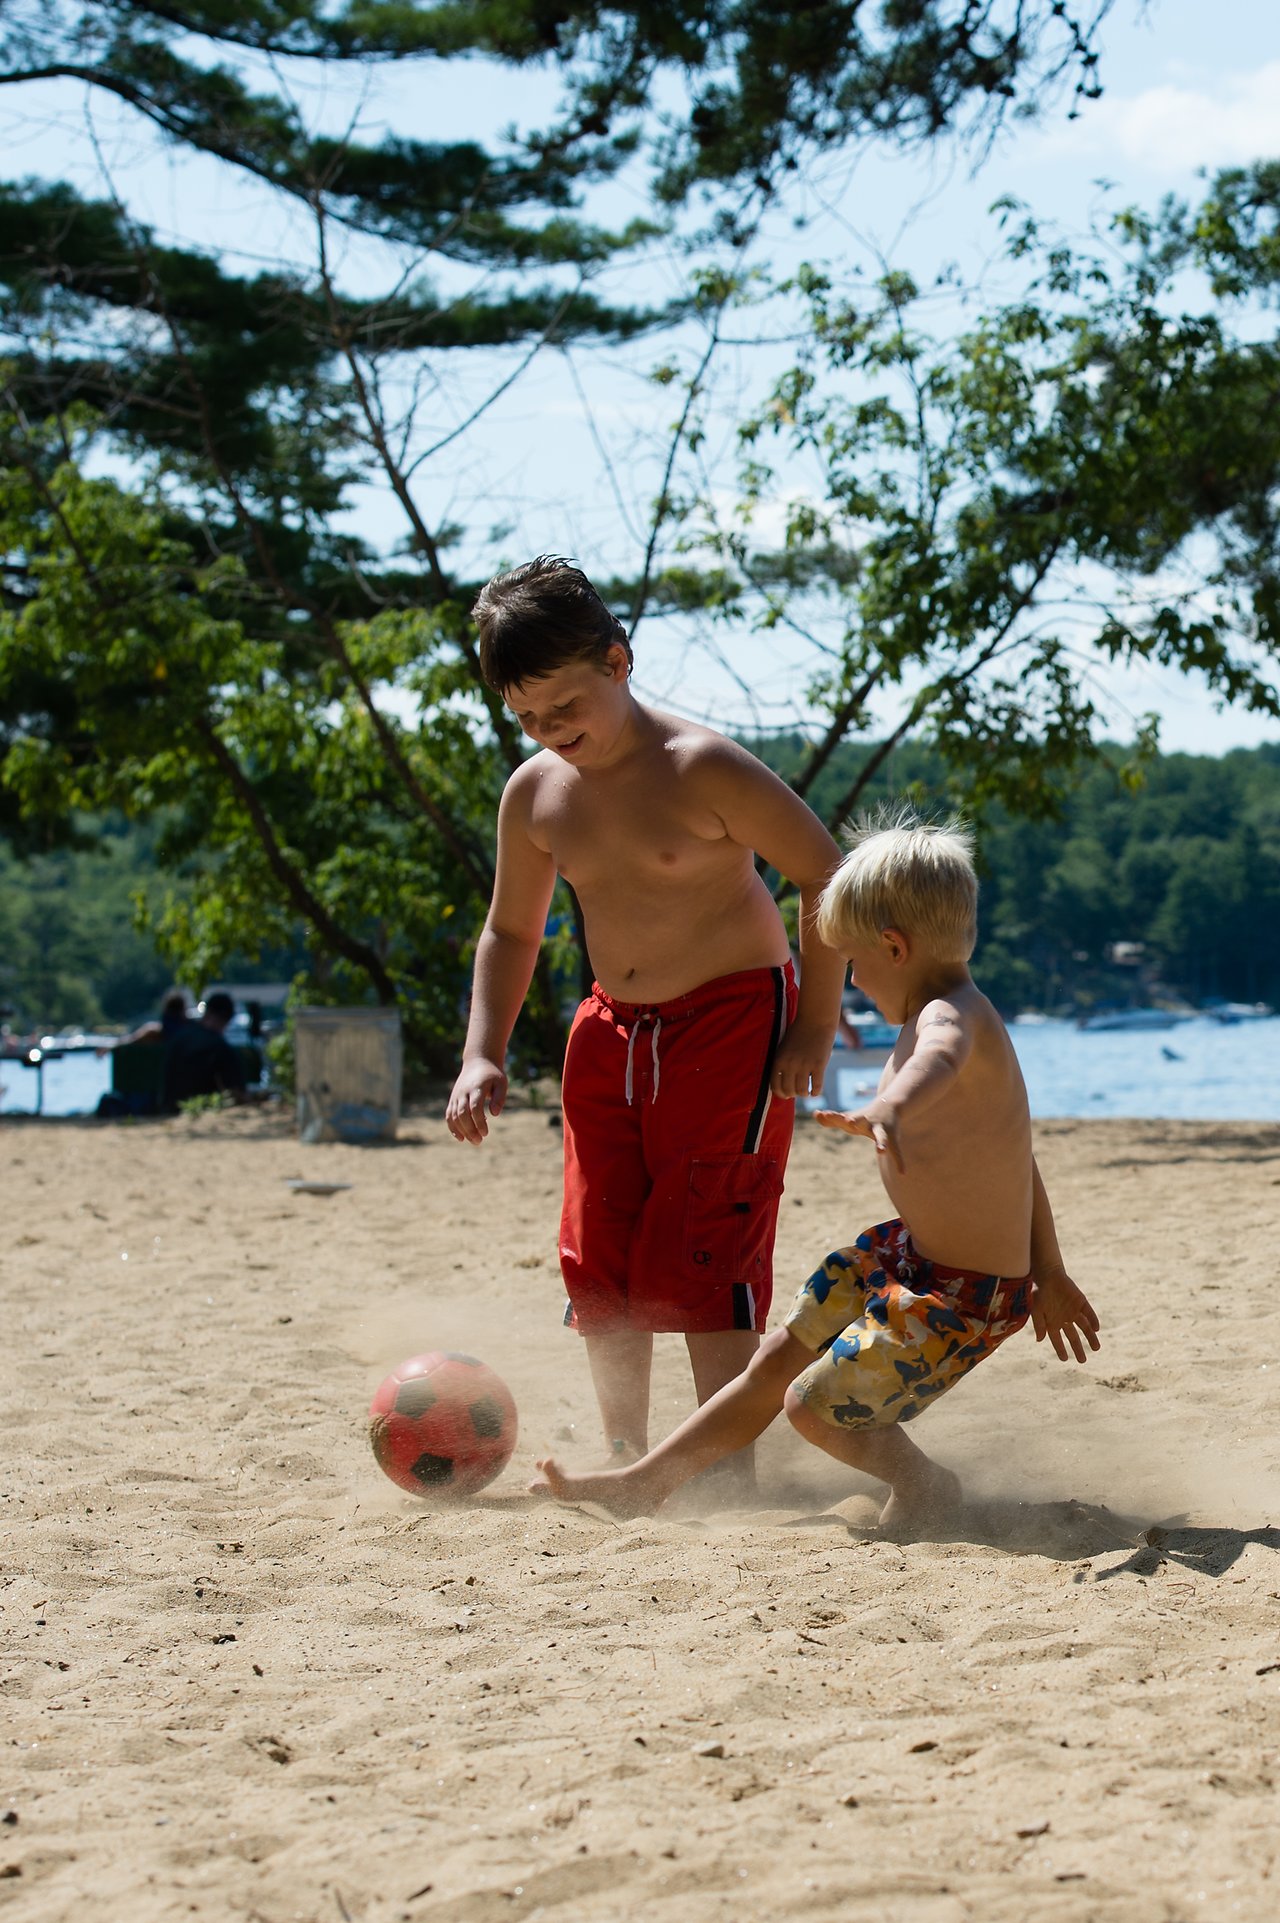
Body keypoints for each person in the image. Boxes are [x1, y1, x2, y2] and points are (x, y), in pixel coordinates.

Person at [531, 810, 1101, 1533]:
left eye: (856, 965)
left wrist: (889, 1105)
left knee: (810, 1405)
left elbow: (937, 1059)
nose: (854, 980)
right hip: (908, 1256)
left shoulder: (953, 1019)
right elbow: (1017, 1161)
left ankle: (928, 1485)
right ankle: (646, 1480)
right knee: (775, 1360)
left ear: (895, 946)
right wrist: (1050, 1267)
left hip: (964, 1296)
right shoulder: (931, 1010)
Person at [445, 556, 846, 1473]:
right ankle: (628, 1450)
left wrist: (815, 1024)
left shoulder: (698, 765)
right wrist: (482, 1052)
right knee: (602, 1241)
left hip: (736, 1020)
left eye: (564, 708)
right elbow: (510, 931)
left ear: (619, 662)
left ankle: (720, 1464)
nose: (549, 732)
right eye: (527, 719)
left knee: (705, 1241)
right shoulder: (535, 792)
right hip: (612, 1029)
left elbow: (826, 877)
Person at [161, 991, 250, 1110]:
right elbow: (236, 1092)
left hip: (168, 1107)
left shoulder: (179, 1038)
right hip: (201, 1107)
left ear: (206, 1012)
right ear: (227, 1020)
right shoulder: (219, 1046)